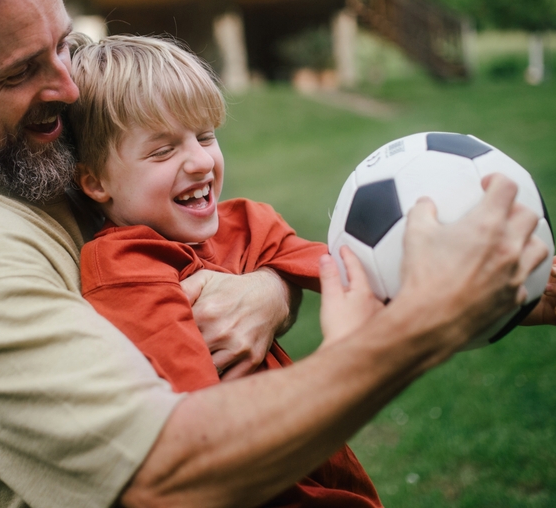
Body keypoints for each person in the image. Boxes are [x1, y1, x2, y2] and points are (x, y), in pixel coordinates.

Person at [0, 0, 556, 508]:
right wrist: (419, 328)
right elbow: (166, 472)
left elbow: (228, 257)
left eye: (66, 45)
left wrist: (265, 289)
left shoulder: (47, 153)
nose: (71, 87)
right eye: (24, 69)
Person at [70, 34, 386, 507]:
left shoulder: (246, 223)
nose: (199, 161)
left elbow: (362, 271)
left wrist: (516, 295)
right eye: (162, 151)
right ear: (96, 182)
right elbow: (201, 430)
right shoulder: (125, 271)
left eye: (205, 136)